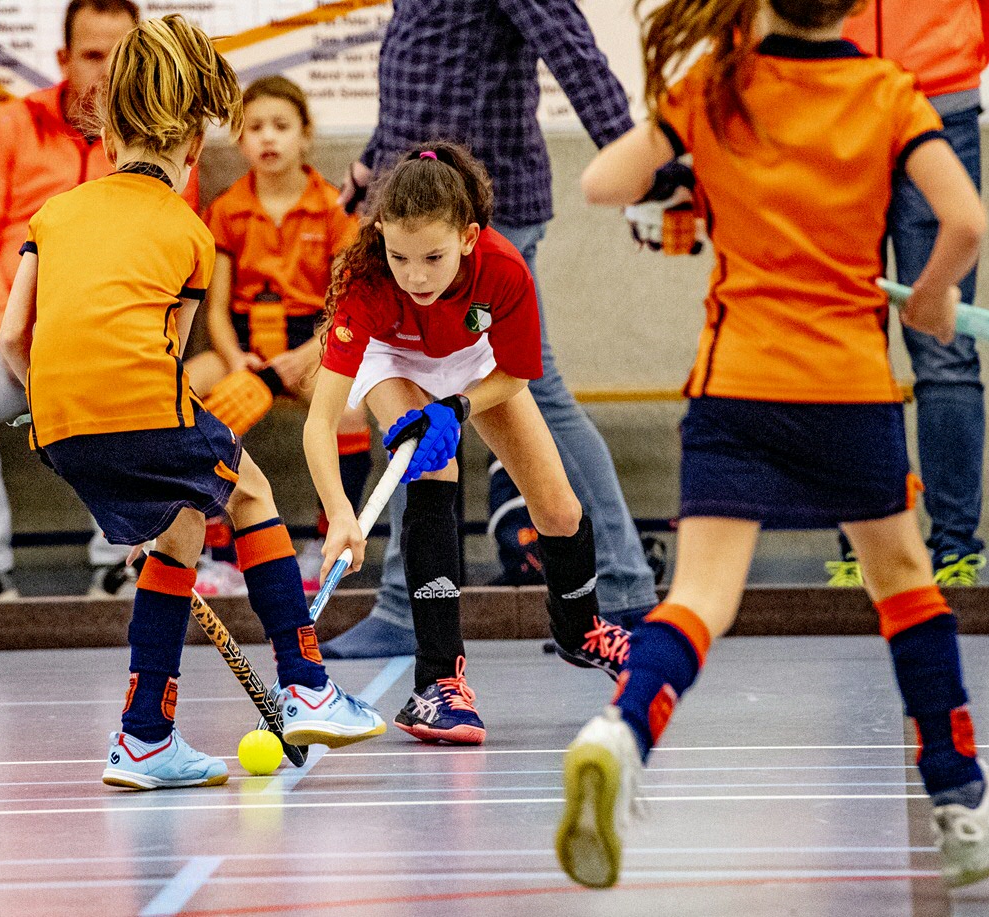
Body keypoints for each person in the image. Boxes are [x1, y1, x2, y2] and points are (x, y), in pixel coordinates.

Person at [554, 0, 989, 890]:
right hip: (846, 387)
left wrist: (684, 177)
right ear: (857, 6)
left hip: (734, 383)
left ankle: (619, 733)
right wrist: (932, 296)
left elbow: (601, 185)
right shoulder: (889, 94)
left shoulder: (714, 90)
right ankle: (961, 796)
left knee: (700, 595)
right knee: (902, 583)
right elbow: (963, 220)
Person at [0, 15, 386, 790]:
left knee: (178, 533)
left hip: (57, 420)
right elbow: (165, 354)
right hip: (144, 405)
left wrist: (55, 412)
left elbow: (14, 334)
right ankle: (307, 682)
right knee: (250, 490)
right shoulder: (190, 229)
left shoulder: (54, 214)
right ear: (191, 148)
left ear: (106, 137)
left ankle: (145, 737)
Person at [323, 0, 659, 659]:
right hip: (425, 217)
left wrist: (638, 167)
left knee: (535, 395)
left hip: (478, 222)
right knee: (422, 405)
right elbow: (419, 79)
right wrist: (371, 164)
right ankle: (408, 604)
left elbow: (574, 53)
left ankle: (619, 585)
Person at [304, 142, 632, 745]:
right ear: (380, 237)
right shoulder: (366, 281)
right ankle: (437, 683)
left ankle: (581, 630)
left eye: (433, 256)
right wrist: (340, 514)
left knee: (559, 509)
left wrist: (455, 407)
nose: (417, 275)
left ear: (468, 237)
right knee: (434, 469)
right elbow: (319, 423)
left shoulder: (505, 269)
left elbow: (516, 373)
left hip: (476, 367)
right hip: (395, 359)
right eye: (401, 256)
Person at [0, 0, 200, 601]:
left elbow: (169, 264)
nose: (105, 74)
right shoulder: (6, 126)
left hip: (111, 334)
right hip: (3, 324)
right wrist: (7, 325)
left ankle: (122, 561)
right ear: (63, 59)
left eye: (120, 58)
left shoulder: (165, 145)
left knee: (139, 393)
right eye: (93, 56)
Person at [826, 0, 989, 588]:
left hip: (940, 102)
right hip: (836, 102)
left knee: (945, 342)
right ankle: (863, 544)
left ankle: (954, 548)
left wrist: (953, 47)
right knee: (846, 346)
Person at [184, 75, 370, 595]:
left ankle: (325, 541)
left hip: (309, 343)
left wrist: (305, 356)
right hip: (240, 345)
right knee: (183, 395)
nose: (268, 138)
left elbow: (344, 309)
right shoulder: (226, 209)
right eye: (255, 127)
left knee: (351, 408)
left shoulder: (335, 207)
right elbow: (214, 311)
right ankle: (217, 550)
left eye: (281, 126)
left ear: (305, 135)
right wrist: (236, 358)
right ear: (239, 140)